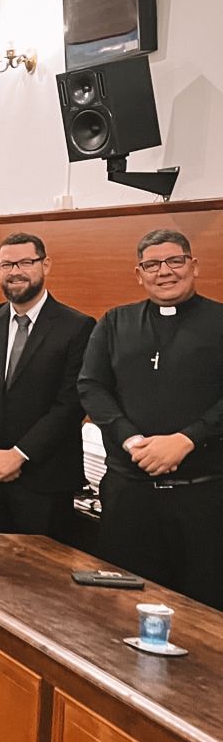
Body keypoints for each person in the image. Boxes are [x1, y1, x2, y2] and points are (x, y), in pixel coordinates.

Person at [79, 229, 223, 609]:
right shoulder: (114, 323)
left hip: (204, 497)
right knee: (119, 607)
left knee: (203, 610)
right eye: (152, 264)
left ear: (194, 266)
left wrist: (187, 440)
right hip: (130, 496)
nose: (165, 271)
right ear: (139, 274)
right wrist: (131, 440)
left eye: (175, 261)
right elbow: (92, 387)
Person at [0, 233, 94, 540]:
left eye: (25, 262)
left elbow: (71, 404)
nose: (15, 271)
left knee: (38, 580)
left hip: (43, 478)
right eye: (6, 264)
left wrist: (19, 454)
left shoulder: (78, 326)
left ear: (46, 265)